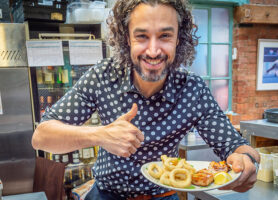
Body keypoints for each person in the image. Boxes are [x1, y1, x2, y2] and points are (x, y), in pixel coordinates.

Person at [32, 0, 260, 199]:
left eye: (165, 36)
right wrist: (99, 135)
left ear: (179, 39)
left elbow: (236, 146)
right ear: (127, 38)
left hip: (164, 195)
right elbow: (41, 136)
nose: (153, 51)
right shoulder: (103, 76)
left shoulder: (192, 89)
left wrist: (246, 163)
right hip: (104, 195)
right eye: (141, 36)